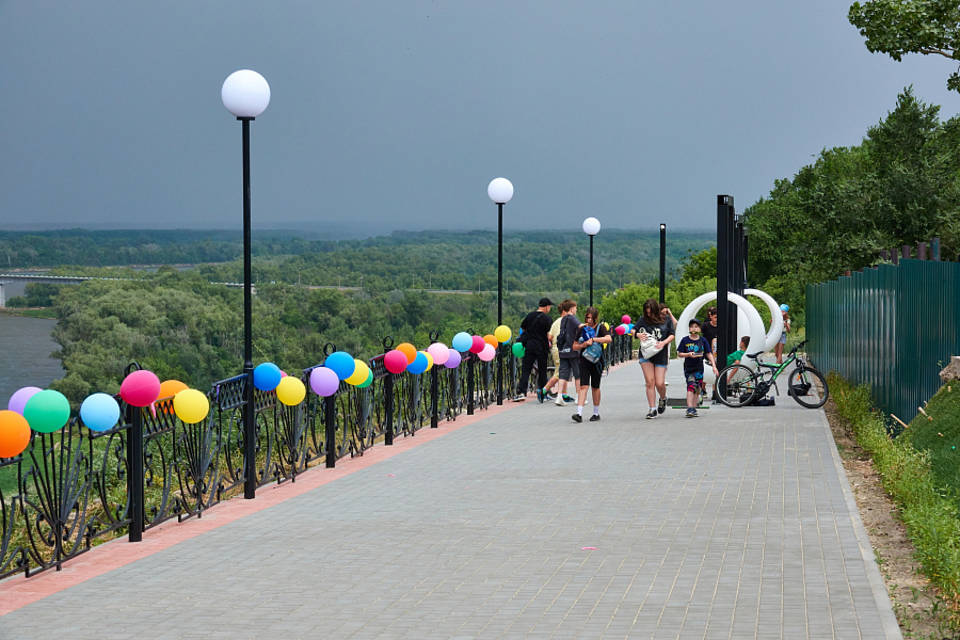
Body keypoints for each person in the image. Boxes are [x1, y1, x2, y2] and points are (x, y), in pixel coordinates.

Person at [632, 298, 675, 419]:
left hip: (660, 353)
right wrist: (637, 334)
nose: (648, 314)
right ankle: (652, 409)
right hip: (646, 354)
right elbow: (633, 330)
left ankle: (663, 398)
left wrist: (663, 343)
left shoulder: (665, 320)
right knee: (650, 382)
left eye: (650, 311)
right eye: (647, 312)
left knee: (660, 383)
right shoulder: (643, 320)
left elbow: (672, 334)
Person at [571, 306, 611, 422]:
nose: (588, 320)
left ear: (595, 318)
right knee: (583, 386)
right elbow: (574, 346)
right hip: (584, 360)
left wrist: (594, 339)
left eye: (591, 318)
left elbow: (609, 339)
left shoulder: (601, 327)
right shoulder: (582, 329)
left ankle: (596, 412)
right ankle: (579, 413)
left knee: (595, 386)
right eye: (587, 317)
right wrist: (582, 345)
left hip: (597, 361)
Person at [677, 318, 719, 418]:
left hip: (699, 368)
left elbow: (709, 353)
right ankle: (689, 408)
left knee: (697, 388)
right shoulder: (685, 340)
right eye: (691, 326)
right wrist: (688, 354)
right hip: (689, 368)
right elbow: (679, 353)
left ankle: (694, 408)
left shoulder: (703, 340)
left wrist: (714, 366)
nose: (693, 328)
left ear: (699, 329)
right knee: (690, 386)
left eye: (696, 326)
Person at [514, 297, 553, 402]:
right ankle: (542, 392)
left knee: (526, 369)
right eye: (549, 307)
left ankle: (521, 392)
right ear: (547, 307)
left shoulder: (530, 316)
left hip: (530, 345)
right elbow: (549, 335)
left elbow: (523, 328)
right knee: (542, 370)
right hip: (542, 346)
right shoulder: (547, 319)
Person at [544, 300, 579, 405]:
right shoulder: (570, 319)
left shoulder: (559, 320)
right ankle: (544, 390)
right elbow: (579, 328)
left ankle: (561, 395)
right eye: (575, 307)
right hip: (570, 348)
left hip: (559, 348)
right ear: (570, 308)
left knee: (562, 372)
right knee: (574, 373)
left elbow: (549, 336)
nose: (576, 310)